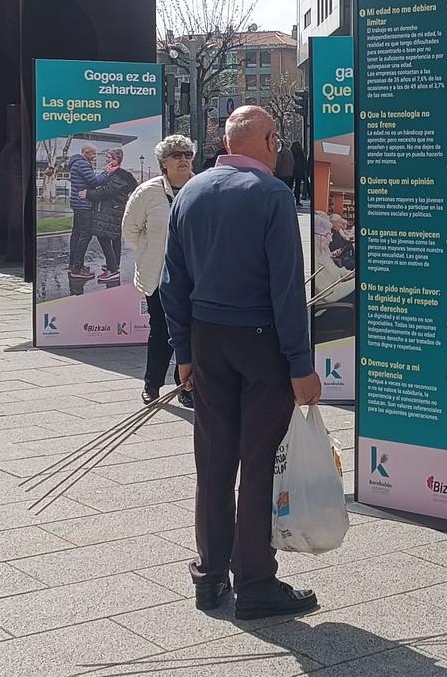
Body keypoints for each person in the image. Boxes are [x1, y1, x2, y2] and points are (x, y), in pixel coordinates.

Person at [161, 106, 321, 621]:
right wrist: (301, 364)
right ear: (271, 141)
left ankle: (209, 578)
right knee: (257, 464)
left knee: (212, 463)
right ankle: (255, 581)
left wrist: (183, 352)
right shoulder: (272, 195)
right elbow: (286, 291)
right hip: (261, 344)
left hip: (208, 340)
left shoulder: (191, 191)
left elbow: (173, 282)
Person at [122, 135, 196, 406]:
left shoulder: (200, 187)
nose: (183, 160)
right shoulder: (148, 192)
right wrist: (152, 250)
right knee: (162, 330)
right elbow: (130, 229)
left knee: (192, 333)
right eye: (177, 155)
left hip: (194, 276)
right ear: (164, 162)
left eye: (187, 154)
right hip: (159, 275)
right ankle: (152, 384)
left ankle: (185, 387)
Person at [86, 148, 139, 284]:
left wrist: (88, 193)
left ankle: (113, 270)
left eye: (110, 157)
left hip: (112, 211)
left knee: (103, 236)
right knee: (114, 238)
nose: (108, 159)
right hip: (114, 210)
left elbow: (106, 191)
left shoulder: (118, 177)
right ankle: (114, 265)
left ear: (117, 160)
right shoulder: (116, 175)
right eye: (108, 157)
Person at [65, 144, 102, 282]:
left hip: (77, 204)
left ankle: (73, 265)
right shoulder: (83, 164)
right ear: (86, 153)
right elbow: (94, 181)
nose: (94, 157)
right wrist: (106, 173)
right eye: (93, 154)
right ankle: (77, 268)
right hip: (83, 204)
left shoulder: (76, 163)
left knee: (77, 233)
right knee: (85, 235)